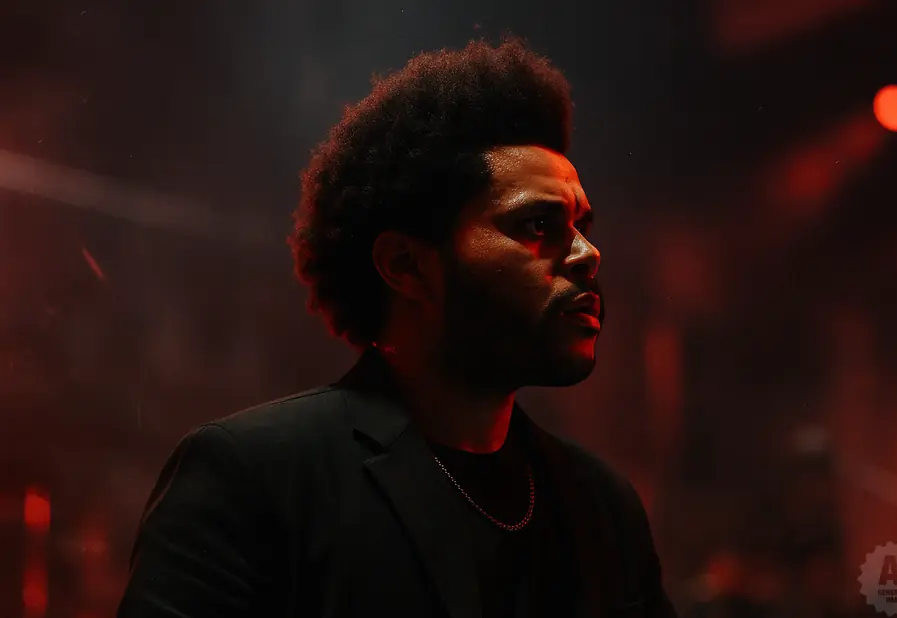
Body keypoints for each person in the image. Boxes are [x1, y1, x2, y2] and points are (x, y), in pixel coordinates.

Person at [117, 38, 675, 618]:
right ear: (406, 265)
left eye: (581, 224)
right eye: (538, 224)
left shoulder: (602, 506)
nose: (588, 254)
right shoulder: (254, 477)